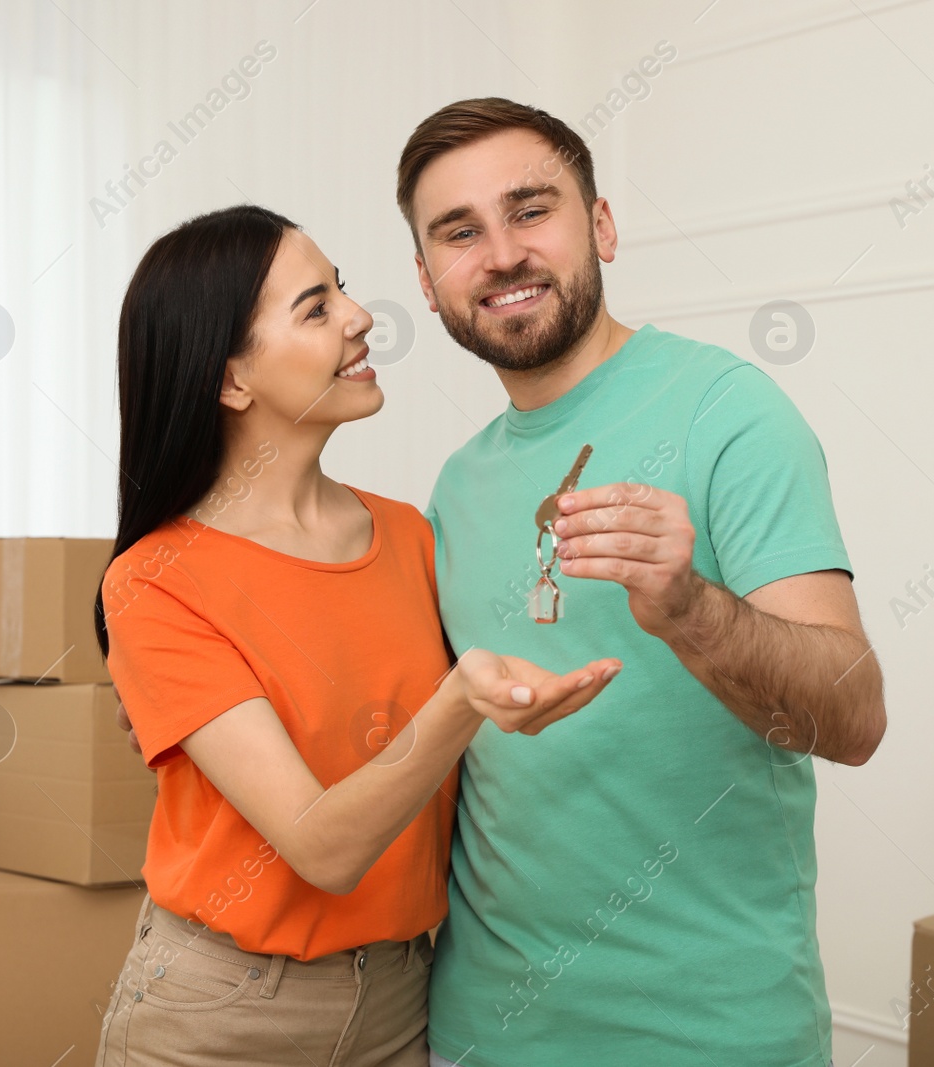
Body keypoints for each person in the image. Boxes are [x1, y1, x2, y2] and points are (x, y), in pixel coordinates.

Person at [395, 99, 888, 1067]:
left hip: (712, 1035)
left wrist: (691, 609)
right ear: (426, 279)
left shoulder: (728, 410)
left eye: (530, 210)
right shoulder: (457, 482)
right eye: (460, 232)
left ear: (602, 226)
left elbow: (854, 718)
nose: (500, 254)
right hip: (480, 1034)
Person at [91, 204, 621, 1067]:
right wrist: (462, 702)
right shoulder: (157, 580)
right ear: (232, 380)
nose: (360, 315)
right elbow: (323, 847)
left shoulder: (412, 536)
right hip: (223, 1019)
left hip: (407, 999)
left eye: (341, 287)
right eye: (314, 307)